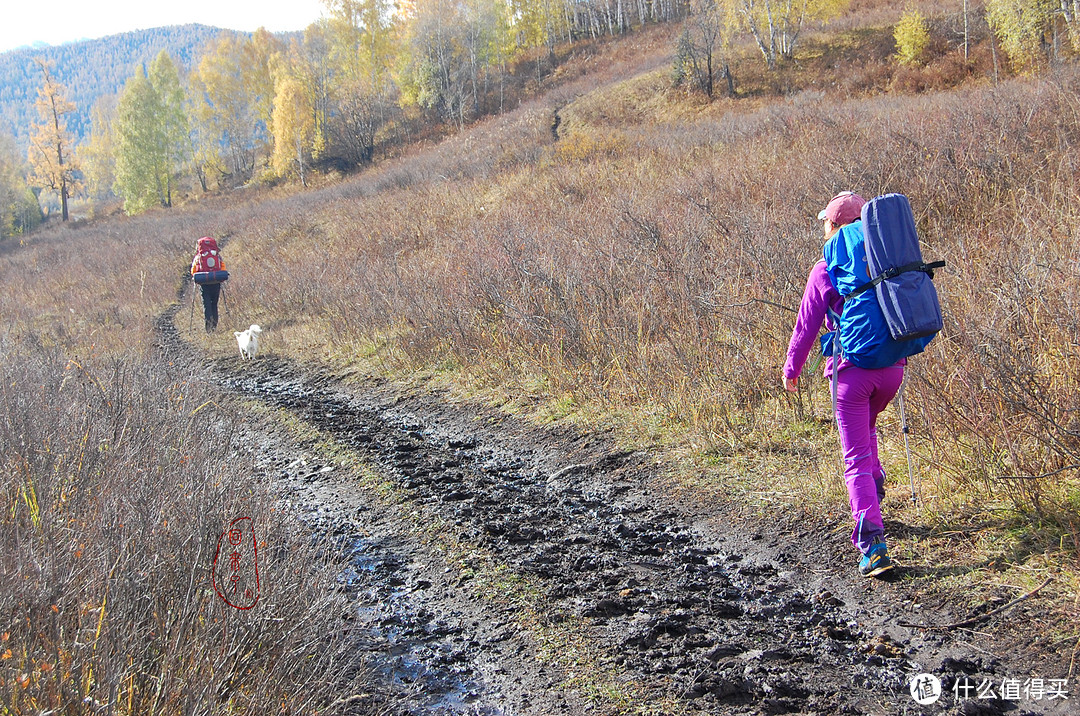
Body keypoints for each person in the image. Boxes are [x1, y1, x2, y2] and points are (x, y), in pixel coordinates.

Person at [782, 191, 903, 578]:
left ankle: (873, 547)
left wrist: (791, 369)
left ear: (833, 226)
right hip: (892, 369)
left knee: (854, 459)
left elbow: (806, 326)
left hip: (851, 372)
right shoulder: (886, 257)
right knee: (868, 430)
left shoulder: (825, 269)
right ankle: (876, 489)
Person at [191, 237, 226, 333]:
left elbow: (193, 271)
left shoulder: (198, 257)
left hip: (204, 284)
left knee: (207, 305)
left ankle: (208, 329)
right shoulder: (217, 255)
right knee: (214, 304)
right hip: (216, 282)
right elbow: (222, 268)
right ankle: (214, 326)